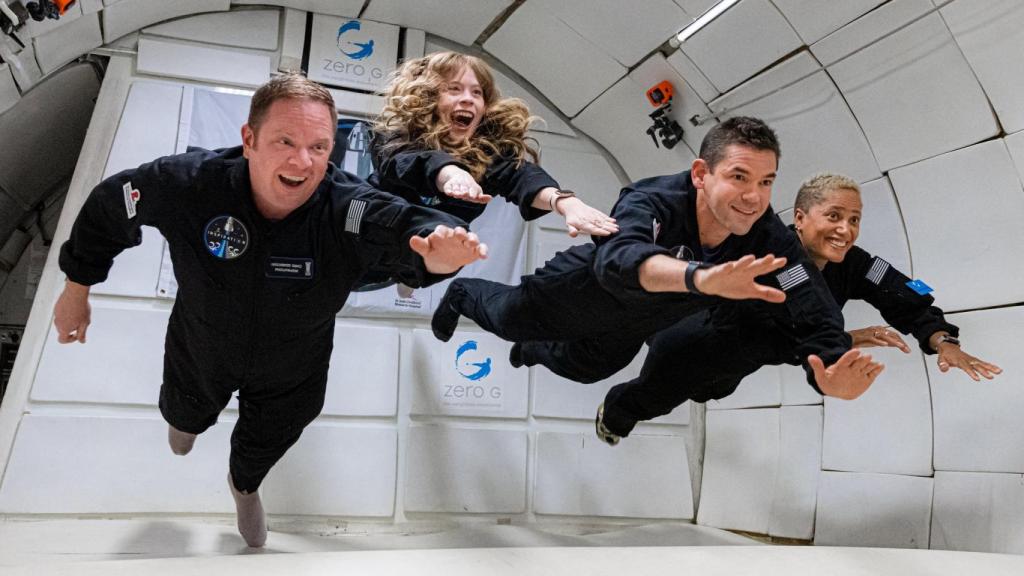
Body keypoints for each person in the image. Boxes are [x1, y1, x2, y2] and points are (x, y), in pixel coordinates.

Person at [51, 74, 488, 547]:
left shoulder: (346, 207)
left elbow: (408, 225)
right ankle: (186, 423)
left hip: (293, 364)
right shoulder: (192, 184)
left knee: (266, 441)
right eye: (286, 141)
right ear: (249, 140)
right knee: (184, 417)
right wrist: (77, 287)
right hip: (202, 344)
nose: (303, 162)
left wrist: (437, 257)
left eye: (320, 148)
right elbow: (109, 207)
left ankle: (244, 486)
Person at [430, 117, 884, 441]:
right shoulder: (654, 198)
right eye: (739, 177)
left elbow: (810, 302)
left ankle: (532, 352)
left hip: (641, 321)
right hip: (581, 290)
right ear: (702, 174)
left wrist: (828, 369)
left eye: (766, 182)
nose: (754, 197)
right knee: (510, 318)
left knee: (587, 370)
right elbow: (619, 259)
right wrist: (701, 279)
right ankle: (463, 291)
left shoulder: (767, 234)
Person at [598, 172, 1000, 444]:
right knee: (648, 399)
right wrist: (844, 339)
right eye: (834, 216)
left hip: (739, 363)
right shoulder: (763, 250)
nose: (846, 230)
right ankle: (612, 412)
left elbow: (904, 291)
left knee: (713, 391)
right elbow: (782, 327)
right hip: (691, 341)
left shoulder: (857, 264)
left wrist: (942, 339)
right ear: (802, 219)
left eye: (855, 219)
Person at [370, 51, 618, 237]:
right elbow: (403, 161)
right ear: (428, 97)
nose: (468, 99)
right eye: (454, 89)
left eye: (476, 93)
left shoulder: (488, 153)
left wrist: (566, 203)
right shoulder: (397, 134)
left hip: (423, 256)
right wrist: (451, 173)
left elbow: (523, 177)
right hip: (371, 230)